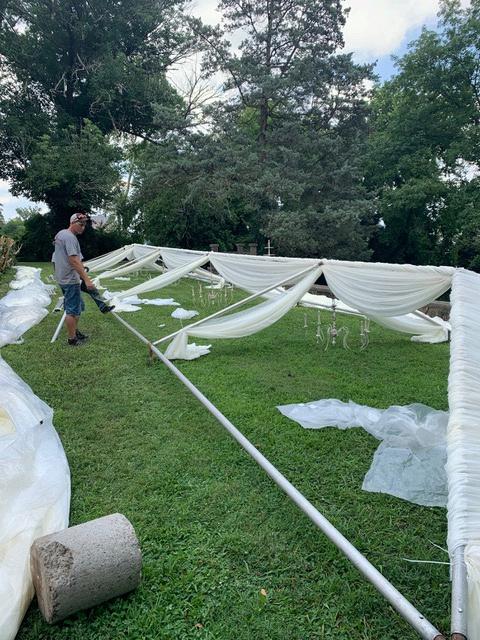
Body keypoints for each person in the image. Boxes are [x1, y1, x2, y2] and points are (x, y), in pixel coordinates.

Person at [53, 213, 114, 346]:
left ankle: (76, 331)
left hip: (64, 277)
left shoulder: (61, 234)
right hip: (70, 279)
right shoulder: (70, 238)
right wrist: (86, 280)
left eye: (84, 225)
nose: (83, 227)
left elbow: (60, 257)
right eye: (80, 224)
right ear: (72, 223)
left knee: (78, 306)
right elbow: (74, 260)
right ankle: (72, 339)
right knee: (72, 311)